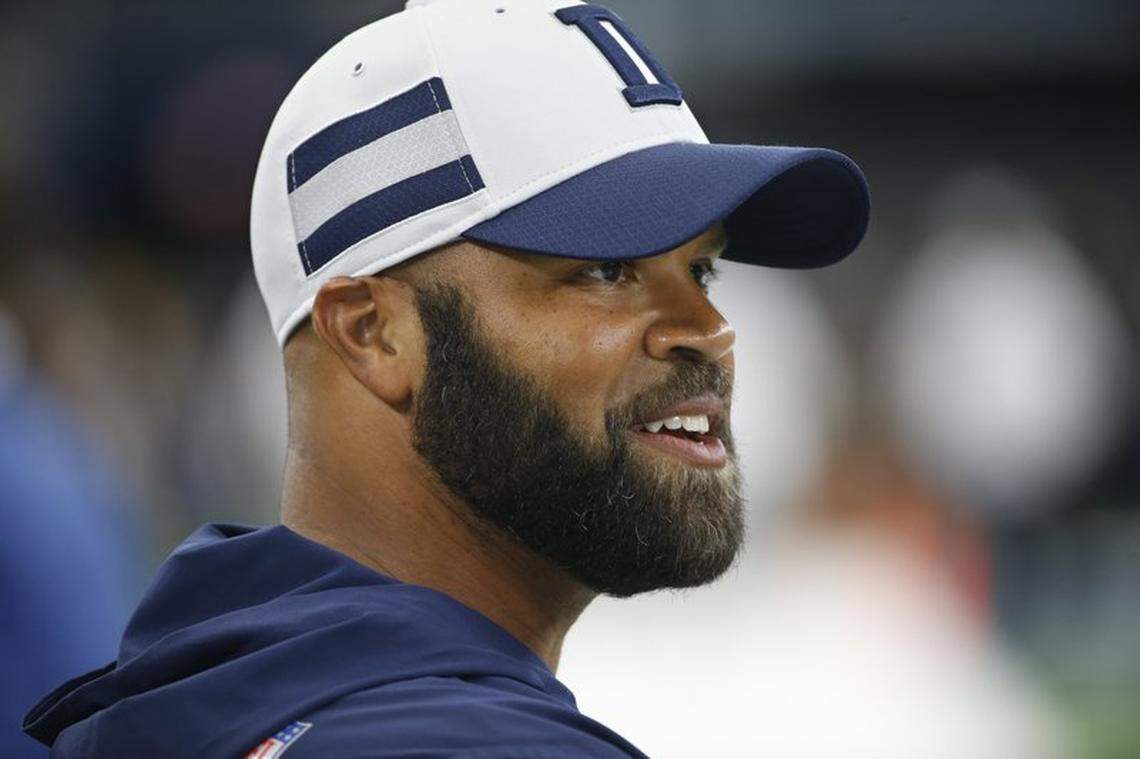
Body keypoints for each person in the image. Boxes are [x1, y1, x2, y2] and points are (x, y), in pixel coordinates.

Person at [23, 0, 869, 755]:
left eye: (703, 270)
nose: (708, 331)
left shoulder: (193, 699)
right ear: (372, 332)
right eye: (608, 267)